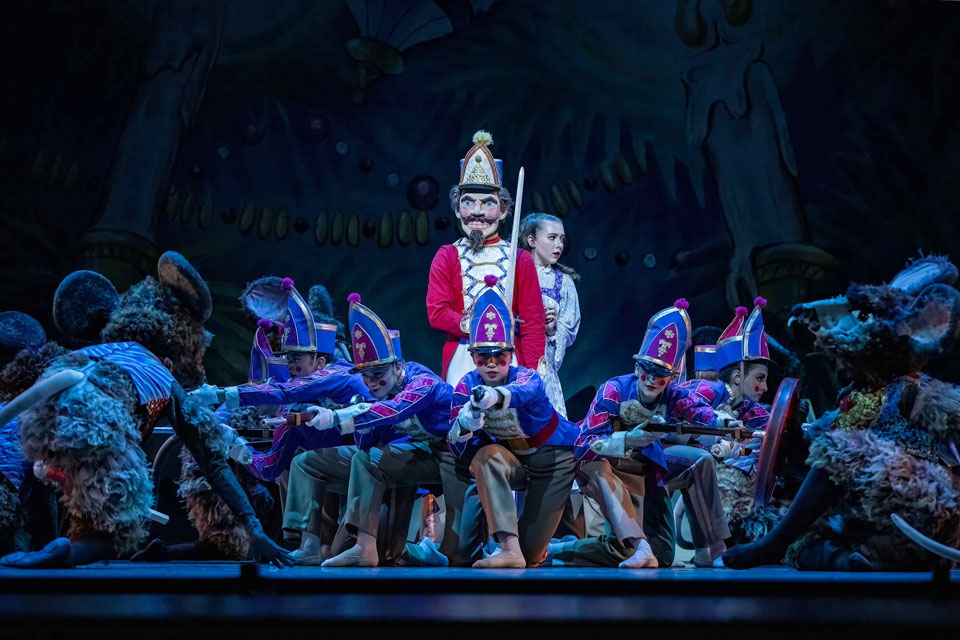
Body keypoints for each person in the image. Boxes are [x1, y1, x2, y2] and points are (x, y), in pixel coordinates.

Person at [549, 300, 739, 568]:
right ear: (637, 368)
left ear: (671, 378)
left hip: (649, 469)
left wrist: (723, 421)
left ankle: (713, 550)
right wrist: (627, 440)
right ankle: (559, 551)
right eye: (646, 372)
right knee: (626, 548)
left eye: (659, 375)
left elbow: (699, 410)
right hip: (610, 470)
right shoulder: (614, 390)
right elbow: (584, 445)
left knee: (662, 555)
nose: (651, 380)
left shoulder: (673, 395)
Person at [285, 294, 449, 565]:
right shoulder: (372, 392)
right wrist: (358, 407)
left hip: (444, 456)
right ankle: (310, 545)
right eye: (365, 375)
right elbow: (365, 441)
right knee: (304, 462)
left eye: (378, 374)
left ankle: (386, 547)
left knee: (426, 553)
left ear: (397, 367)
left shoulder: (422, 382)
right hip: (390, 460)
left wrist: (339, 417)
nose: (371, 382)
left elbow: (396, 410)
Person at [447, 277, 581, 568]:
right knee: (485, 458)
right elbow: (456, 448)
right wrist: (465, 424)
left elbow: (522, 393)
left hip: (554, 461)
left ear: (511, 356)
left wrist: (492, 396)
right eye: (483, 357)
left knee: (533, 556)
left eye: (500, 356)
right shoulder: (465, 386)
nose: (491, 364)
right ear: (473, 357)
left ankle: (569, 549)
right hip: (514, 461)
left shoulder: (527, 377)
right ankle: (508, 548)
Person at [426, 130, 545, 386]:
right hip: (463, 356)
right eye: (468, 202)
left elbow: (533, 325)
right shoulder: (447, 256)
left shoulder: (519, 259)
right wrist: (477, 325)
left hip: (510, 359)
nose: (477, 212)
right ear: (457, 210)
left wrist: (533, 375)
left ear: (503, 211)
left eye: (488, 203)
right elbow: (437, 313)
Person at [519, 213, 580, 417]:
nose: (559, 245)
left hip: (542, 368)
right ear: (532, 241)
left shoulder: (563, 283)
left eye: (562, 239)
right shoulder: (512, 275)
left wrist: (553, 330)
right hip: (512, 362)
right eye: (552, 238)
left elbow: (568, 331)